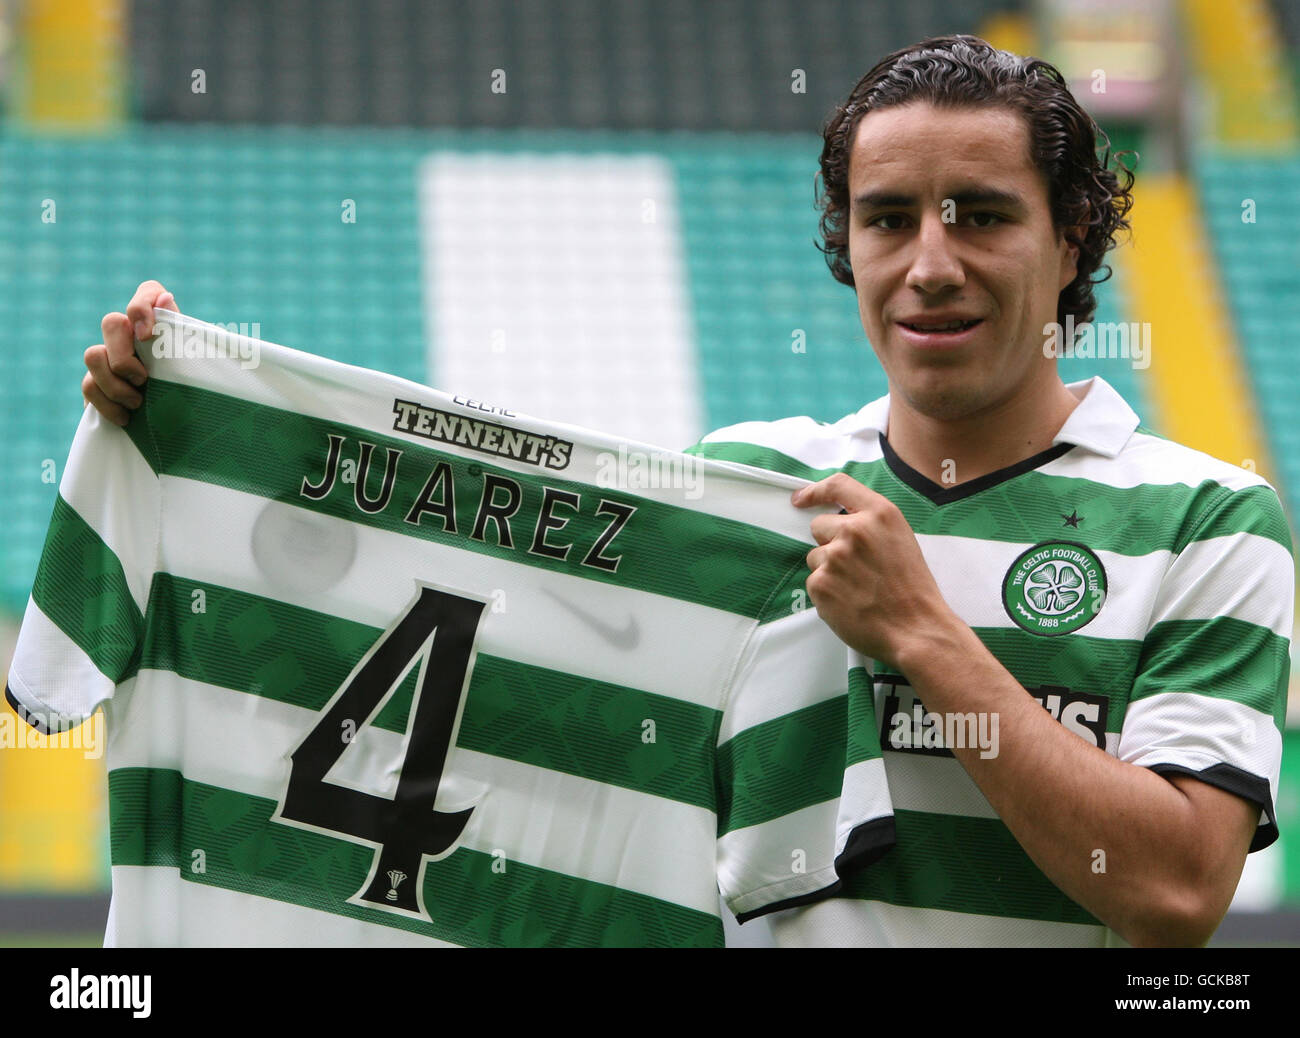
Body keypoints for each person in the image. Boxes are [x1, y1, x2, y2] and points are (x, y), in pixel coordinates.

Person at [82, 36, 1292, 947]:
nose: (930, 264)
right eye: (887, 220)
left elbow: (1176, 890)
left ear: (1073, 238)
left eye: (981, 217)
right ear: (848, 248)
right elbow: (478, 667)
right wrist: (208, 423)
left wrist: (923, 634)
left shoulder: (1205, 523)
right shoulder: (750, 490)